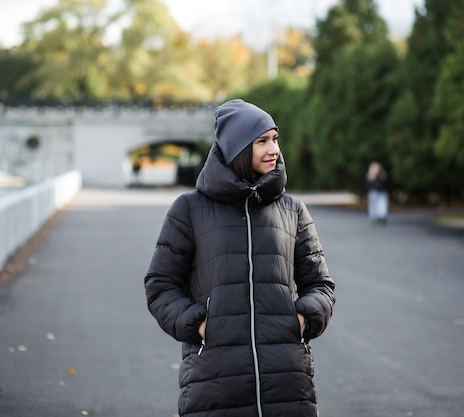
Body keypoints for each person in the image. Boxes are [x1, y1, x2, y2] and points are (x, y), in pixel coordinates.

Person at [144, 99, 335, 417]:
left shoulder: (293, 210)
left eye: (274, 138)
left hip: (287, 382)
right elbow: (160, 286)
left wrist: (302, 321)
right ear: (237, 149)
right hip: (214, 382)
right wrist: (201, 326)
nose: (273, 149)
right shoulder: (189, 210)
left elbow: (320, 285)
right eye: (262, 141)